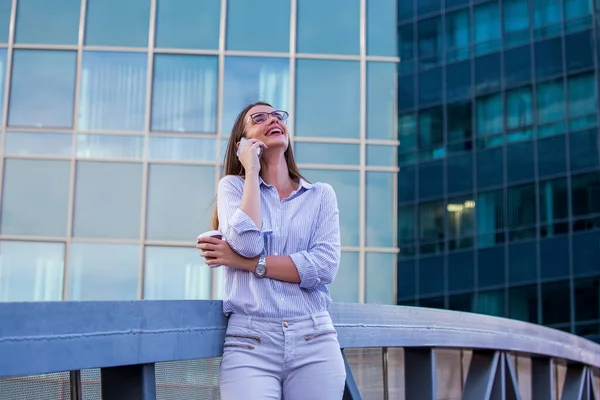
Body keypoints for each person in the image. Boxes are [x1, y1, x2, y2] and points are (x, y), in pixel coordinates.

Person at [196, 101, 346, 399]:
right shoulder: (233, 188)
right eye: (259, 118)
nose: (273, 120)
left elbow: (324, 267)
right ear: (242, 143)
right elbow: (248, 243)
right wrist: (251, 171)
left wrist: (244, 262)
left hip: (314, 337)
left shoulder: (320, 195)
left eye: (278, 116)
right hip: (250, 342)